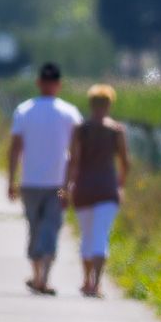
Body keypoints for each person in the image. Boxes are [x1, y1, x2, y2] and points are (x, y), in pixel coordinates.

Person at [8, 62, 83, 296]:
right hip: (59, 185)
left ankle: (38, 274)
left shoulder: (24, 110)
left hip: (30, 182)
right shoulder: (70, 113)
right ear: (59, 84)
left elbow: (15, 148)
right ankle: (44, 277)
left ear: (39, 82)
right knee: (52, 226)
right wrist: (71, 184)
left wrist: (11, 180)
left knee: (35, 226)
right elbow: (77, 151)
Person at [63, 84, 130, 298]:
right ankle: (97, 283)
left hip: (84, 188)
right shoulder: (116, 130)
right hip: (107, 188)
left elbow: (73, 161)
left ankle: (85, 280)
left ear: (91, 104)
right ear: (109, 104)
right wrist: (120, 185)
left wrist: (65, 188)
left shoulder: (80, 129)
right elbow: (125, 162)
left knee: (87, 235)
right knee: (101, 235)